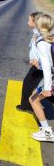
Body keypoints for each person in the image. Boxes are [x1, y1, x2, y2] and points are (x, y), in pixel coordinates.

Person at [29, 14, 54, 142]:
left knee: (33, 99)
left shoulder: (41, 42)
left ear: (38, 25)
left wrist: (47, 88)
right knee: (34, 93)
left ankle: (46, 132)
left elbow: (46, 66)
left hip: (52, 80)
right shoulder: (51, 38)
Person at [16, 12, 44, 113]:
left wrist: (38, 62)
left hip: (39, 67)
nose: (27, 22)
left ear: (35, 23)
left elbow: (44, 54)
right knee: (29, 84)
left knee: (30, 85)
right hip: (37, 66)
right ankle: (27, 105)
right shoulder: (37, 33)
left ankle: (29, 106)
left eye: (29, 21)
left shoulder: (39, 36)